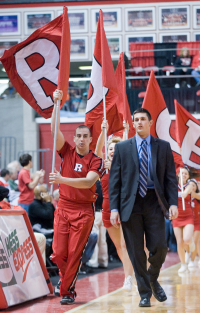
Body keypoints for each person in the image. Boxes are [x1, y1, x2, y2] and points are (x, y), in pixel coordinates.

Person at [109, 108, 178, 307]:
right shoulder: (122, 148)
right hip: (129, 205)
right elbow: (115, 182)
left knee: (160, 247)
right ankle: (145, 294)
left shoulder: (163, 147)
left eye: (142, 119)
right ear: (133, 123)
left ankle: (152, 278)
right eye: (136, 119)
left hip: (153, 201)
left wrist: (173, 203)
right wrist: (114, 208)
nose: (139, 122)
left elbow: (170, 179)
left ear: (150, 121)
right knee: (136, 252)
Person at [49, 89, 104, 305]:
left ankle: (67, 292)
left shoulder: (96, 160)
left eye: (85, 136)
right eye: (78, 136)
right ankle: (64, 281)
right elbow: (54, 129)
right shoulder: (67, 151)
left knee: (74, 253)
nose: (81, 139)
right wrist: (56, 103)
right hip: (63, 207)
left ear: (90, 139)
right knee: (58, 252)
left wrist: (61, 180)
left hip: (83, 211)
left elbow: (89, 182)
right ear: (74, 138)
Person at [95, 120, 135, 292]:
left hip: (125, 209)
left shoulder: (127, 166)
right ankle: (130, 274)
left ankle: (129, 278)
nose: (112, 150)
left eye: (115, 148)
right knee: (119, 247)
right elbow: (97, 152)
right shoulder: (102, 167)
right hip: (106, 210)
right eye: (110, 148)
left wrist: (126, 132)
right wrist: (103, 131)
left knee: (127, 245)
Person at [173, 167, 199, 273]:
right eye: (182, 173)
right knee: (179, 242)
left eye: (186, 174)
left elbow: (190, 188)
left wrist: (186, 192)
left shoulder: (190, 184)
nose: (184, 175)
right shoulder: (173, 185)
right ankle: (183, 264)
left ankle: (191, 243)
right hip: (177, 217)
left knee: (187, 239)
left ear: (188, 176)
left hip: (188, 216)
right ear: (178, 174)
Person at [87, 179, 109, 270]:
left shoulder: (92, 184)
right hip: (103, 212)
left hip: (95, 212)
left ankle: (93, 262)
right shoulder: (104, 183)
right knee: (103, 239)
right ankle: (103, 261)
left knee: (94, 237)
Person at [188, 179, 200, 269]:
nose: (192, 186)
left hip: (197, 223)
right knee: (186, 241)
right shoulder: (184, 196)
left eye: (193, 185)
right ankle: (186, 255)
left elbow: (197, 195)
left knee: (195, 241)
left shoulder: (199, 195)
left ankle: (192, 260)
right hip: (187, 222)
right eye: (190, 185)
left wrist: (187, 191)